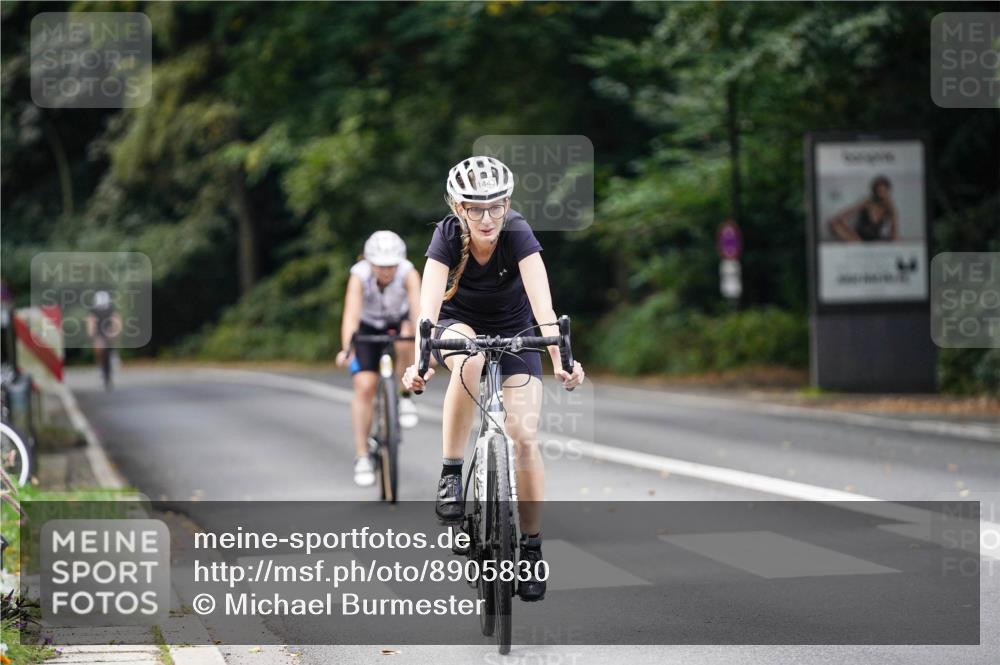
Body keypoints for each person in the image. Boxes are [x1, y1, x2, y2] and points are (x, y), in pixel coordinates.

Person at [402, 156, 585, 602]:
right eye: (474, 208)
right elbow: (427, 311)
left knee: (524, 435)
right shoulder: (446, 235)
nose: (487, 219)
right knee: (468, 358)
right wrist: (420, 363)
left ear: (507, 203)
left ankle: (531, 549)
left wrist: (561, 359)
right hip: (459, 326)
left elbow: (544, 308)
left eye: (496, 207)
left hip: (515, 331)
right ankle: (450, 471)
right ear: (458, 207)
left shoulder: (518, 231)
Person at [336, 231, 421, 487]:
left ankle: (405, 398)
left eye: (391, 266)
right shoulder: (359, 275)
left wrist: (424, 349)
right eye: (381, 266)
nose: (386, 272)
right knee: (364, 386)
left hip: (399, 324)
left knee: (408, 336)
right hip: (368, 328)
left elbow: (419, 312)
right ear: (370, 263)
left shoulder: (408, 273)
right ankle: (362, 455)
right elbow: (351, 313)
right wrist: (347, 347)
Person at [827, 175, 899, 242]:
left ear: (888, 191)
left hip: (875, 239)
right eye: (879, 191)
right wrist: (850, 231)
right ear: (874, 191)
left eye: (883, 191)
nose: (881, 194)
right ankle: (857, 243)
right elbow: (844, 215)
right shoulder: (867, 202)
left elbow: (894, 232)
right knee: (833, 223)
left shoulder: (890, 207)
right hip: (858, 238)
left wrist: (893, 213)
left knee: (895, 239)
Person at [85, 290, 122, 391]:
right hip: (98, 333)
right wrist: (91, 334)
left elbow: (116, 320)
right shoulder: (93, 310)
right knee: (98, 349)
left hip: (108, 332)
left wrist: (115, 331)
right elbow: (90, 322)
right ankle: (100, 368)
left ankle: (114, 355)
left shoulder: (111, 309)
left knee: (111, 345)